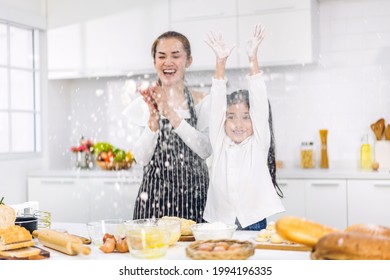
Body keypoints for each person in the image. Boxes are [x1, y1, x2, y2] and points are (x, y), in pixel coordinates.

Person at [203, 24, 285, 230]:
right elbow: (216, 106)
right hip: (220, 222)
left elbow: (258, 99)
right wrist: (220, 63)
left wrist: (253, 60)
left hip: (254, 221)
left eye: (245, 117)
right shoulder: (219, 141)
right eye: (231, 117)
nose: (238, 124)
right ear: (223, 121)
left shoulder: (258, 142)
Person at [125, 31, 211, 223]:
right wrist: (154, 118)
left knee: (192, 252)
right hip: (153, 201)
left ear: (188, 61)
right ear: (155, 61)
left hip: (194, 200)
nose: (168, 62)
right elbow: (141, 157)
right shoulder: (143, 103)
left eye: (176, 55)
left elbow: (205, 150)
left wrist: (170, 113)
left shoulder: (202, 101)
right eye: (161, 56)